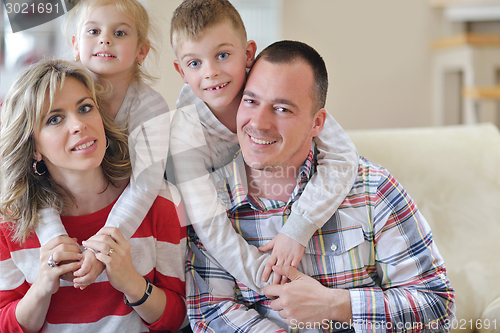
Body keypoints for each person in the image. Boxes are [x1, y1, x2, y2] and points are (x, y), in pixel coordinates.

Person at [185, 40, 456, 332]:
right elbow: (210, 315)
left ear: (317, 123)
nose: (259, 123)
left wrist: (336, 305)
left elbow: (438, 308)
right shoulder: (211, 204)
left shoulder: (372, 189)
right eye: (250, 101)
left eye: (282, 109)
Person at [169, 0, 359, 292]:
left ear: (247, 54)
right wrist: (269, 279)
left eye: (222, 55)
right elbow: (210, 226)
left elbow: (343, 156)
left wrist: (298, 229)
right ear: (181, 71)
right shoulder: (185, 133)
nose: (211, 73)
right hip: (230, 241)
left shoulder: (270, 83)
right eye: (195, 63)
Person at [0, 59, 186, 332]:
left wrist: (132, 283)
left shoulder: (163, 203)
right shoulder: (9, 224)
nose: (78, 125)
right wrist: (40, 289)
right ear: (34, 149)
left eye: (85, 108)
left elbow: (183, 319)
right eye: (54, 119)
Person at [34, 0, 172, 289]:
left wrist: (105, 243)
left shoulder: (151, 107)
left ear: (141, 51)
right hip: (68, 202)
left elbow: (145, 185)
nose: (105, 39)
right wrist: (54, 239)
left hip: (128, 211)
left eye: (119, 33)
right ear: (75, 44)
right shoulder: (59, 93)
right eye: (93, 31)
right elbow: (37, 178)